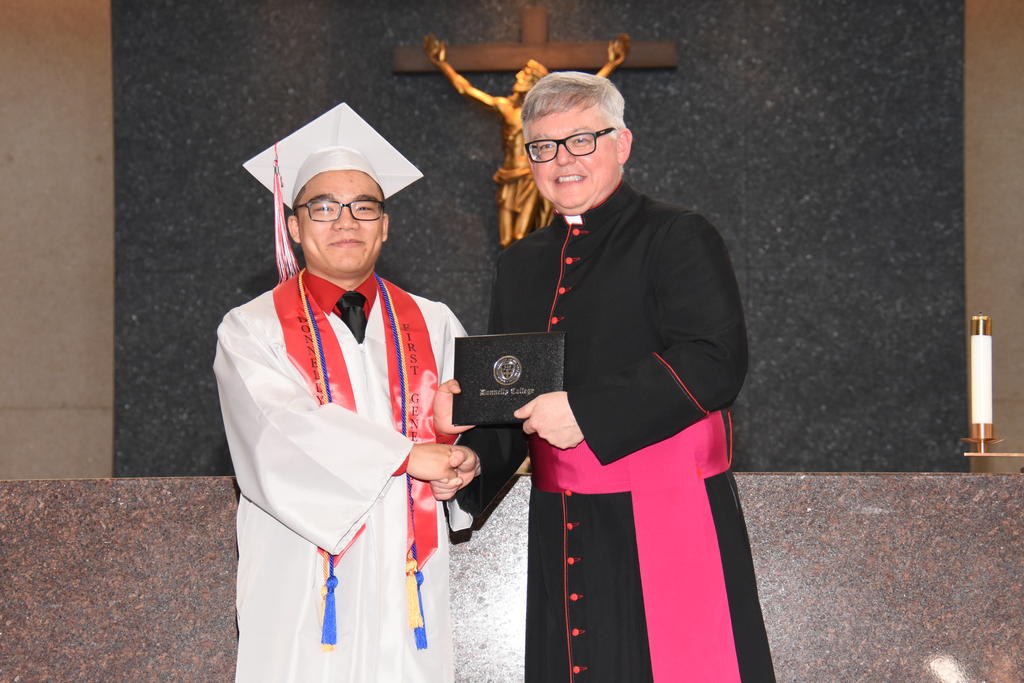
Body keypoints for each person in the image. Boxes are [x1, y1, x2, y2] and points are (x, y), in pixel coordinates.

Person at [440, 73, 776, 681]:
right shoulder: (520, 264)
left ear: (622, 143)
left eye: (581, 140)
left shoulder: (676, 235)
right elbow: (515, 399)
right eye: (543, 146)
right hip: (563, 522)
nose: (561, 160)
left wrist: (586, 411)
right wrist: (472, 460)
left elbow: (715, 360)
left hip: (665, 511)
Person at [214, 103, 478, 682]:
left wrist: (462, 460)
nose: (345, 221)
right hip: (302, 570)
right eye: (324, 207)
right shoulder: (251, 328)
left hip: (409, 569)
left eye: (364, 207)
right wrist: (407, 456)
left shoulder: (434, 322)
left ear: (385, 225)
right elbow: (277, 430)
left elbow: (467, 428)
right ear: (294, 226)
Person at [423, 33, 630, 247]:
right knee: (506, 239)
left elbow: (587, 92)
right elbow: (466, 89)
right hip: (508, 176)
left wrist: (611, 64)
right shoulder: (506, 108)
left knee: (522, 235)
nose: (518, 78)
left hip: (530, 178)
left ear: (535, 83)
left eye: (524, 76)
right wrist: (442, 64)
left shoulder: (545, 118)